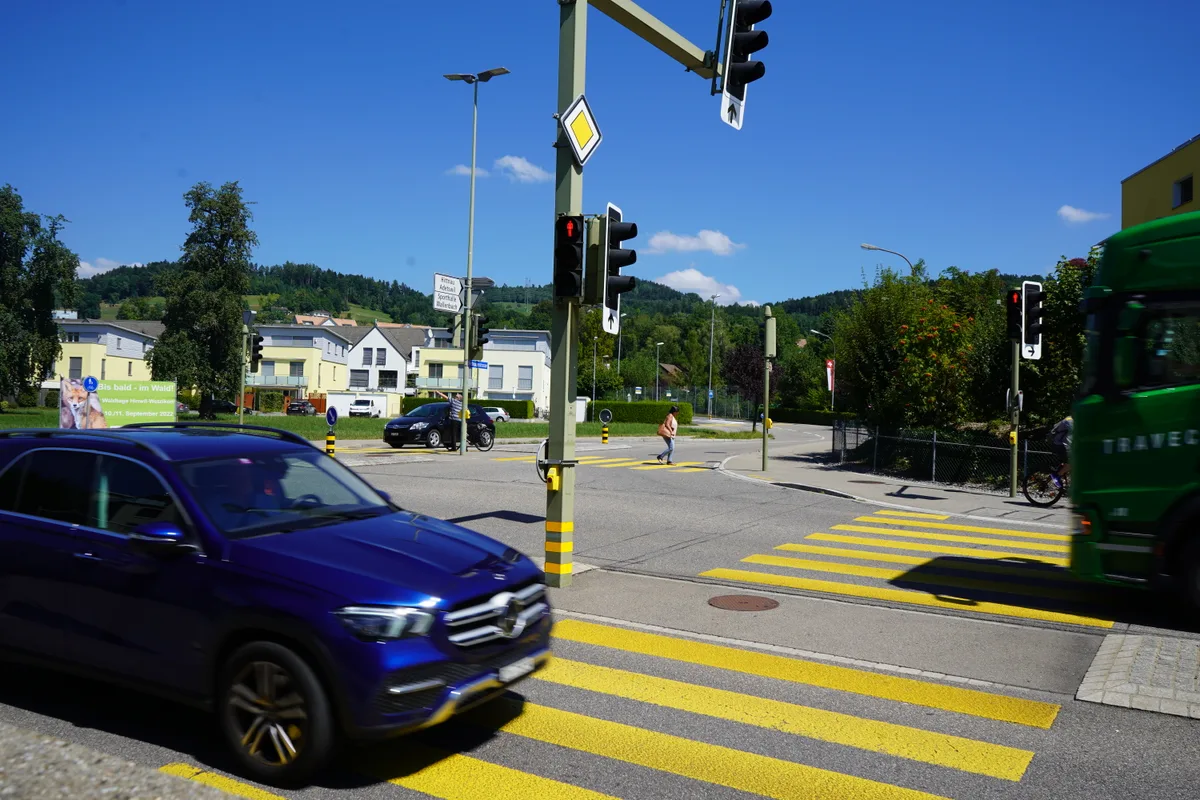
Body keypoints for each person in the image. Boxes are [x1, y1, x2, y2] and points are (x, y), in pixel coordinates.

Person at [1050, 415, 1072, 486]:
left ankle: (1061, 469)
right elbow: (1069, 441)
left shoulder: (1071, 418)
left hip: (1061, 443)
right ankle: (1056, 476)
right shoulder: (1071, 423)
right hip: (1060, 445)